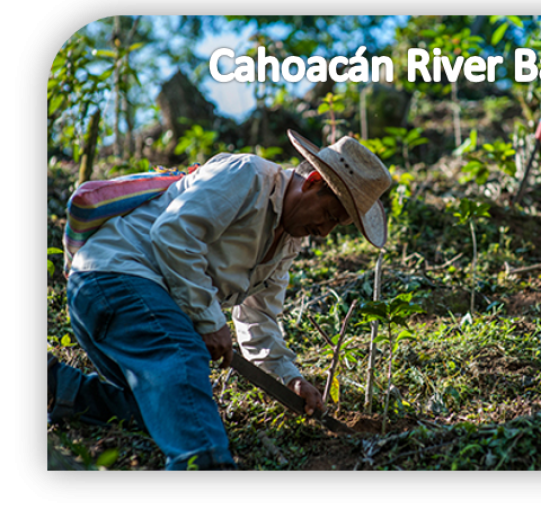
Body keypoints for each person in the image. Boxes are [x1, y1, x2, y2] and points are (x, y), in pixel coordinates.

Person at [47, 130, 393, 471]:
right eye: (330, 216)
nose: (325, 231)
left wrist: (290, 379)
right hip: (114, 277)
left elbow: (258, 322)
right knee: (180, 355)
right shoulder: (248, 176)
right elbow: (173, 234)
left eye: (337, 225)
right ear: (314, 181)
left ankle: (58, 388)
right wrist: (211, 322)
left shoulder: (288, 243)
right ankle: (206, 464)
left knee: (166, 406)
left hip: (120, 301)